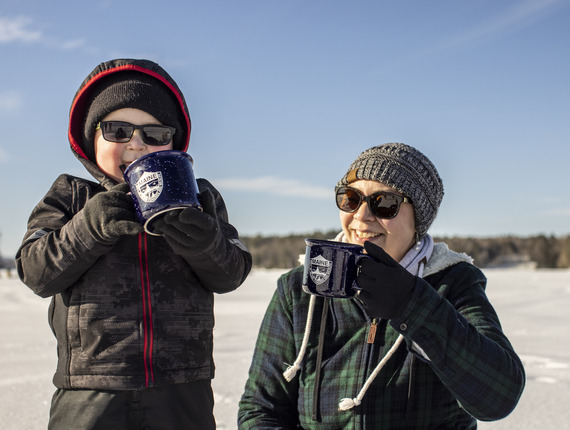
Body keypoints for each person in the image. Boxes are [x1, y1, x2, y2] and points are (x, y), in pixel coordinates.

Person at [16, 58, 252, 429]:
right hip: (90, 389)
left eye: (155, 134)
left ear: (173, 142)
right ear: (92, 138)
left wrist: (203, 240)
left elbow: (232, 272)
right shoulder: (70, 196)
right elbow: (35, 272)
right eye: (118, 130)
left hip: (183, 386)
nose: (137, 144)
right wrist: (89, 226)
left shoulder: (198, 197)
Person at [238, 143, 525, 429]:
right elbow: (261, 410)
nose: (362, 216)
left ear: (419, 219)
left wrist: (412, 306)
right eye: (351, 199)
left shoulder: (452, 283)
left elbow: (499, 398)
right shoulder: (299, 290)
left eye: (384, 203)